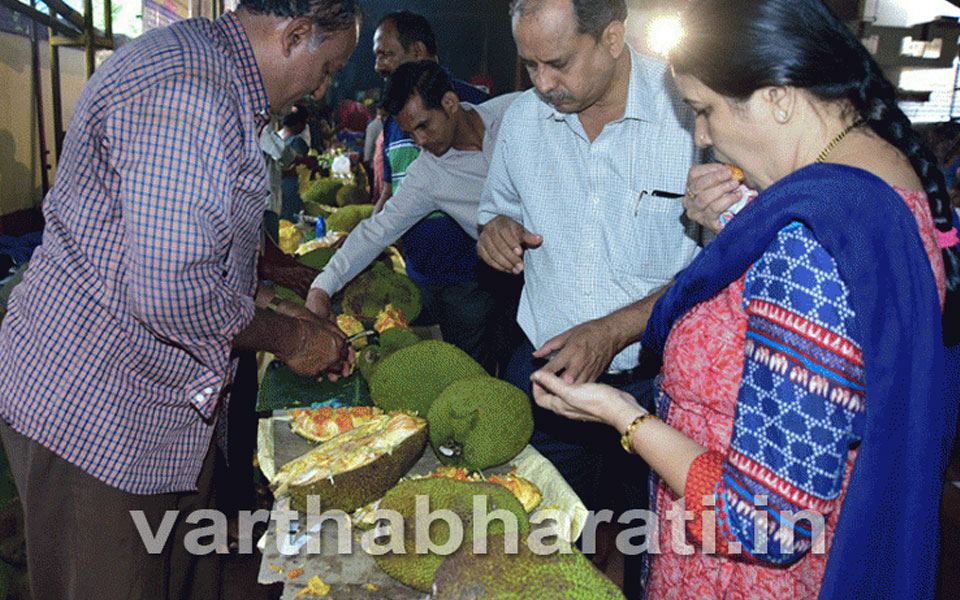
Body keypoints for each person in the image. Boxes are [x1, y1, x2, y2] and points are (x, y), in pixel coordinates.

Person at [530, 1, 960, 598]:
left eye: (704, 110)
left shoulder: (812, 245)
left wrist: (621, 415)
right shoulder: (881, 184)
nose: (702, 136)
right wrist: (744, 222)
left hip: (740, 577)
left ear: (779, 96)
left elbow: (763, 522)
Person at [0, 1, 360, 598]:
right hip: (98, 419)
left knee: (183, 575)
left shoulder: (212, 71)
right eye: (327, 69)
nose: (322, 90)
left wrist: (271, 299)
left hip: (159, 415)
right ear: (295, 36)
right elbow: (171, 291)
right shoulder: (192, 94)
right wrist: (291, 339)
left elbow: (189, 250)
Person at [476, 0, 701, 530]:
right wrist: (496, 232)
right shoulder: (521, 123)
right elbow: (496, 209)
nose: (542, 83)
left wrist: (614, 331)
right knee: (543, 542)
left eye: (557, 62)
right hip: (553, 380)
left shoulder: (691, 115)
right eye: (529, 65)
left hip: (662, 389)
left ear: (613, 38)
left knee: (656, 547)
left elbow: (721, 267)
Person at [307, 61, 520, 371]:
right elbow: (377, 230)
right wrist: (322, 287)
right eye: (410, 132)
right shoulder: (428, 173)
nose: (420, 141)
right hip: (515, 287)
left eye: (423, 125)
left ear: (450, 104)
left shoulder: (517, 114)